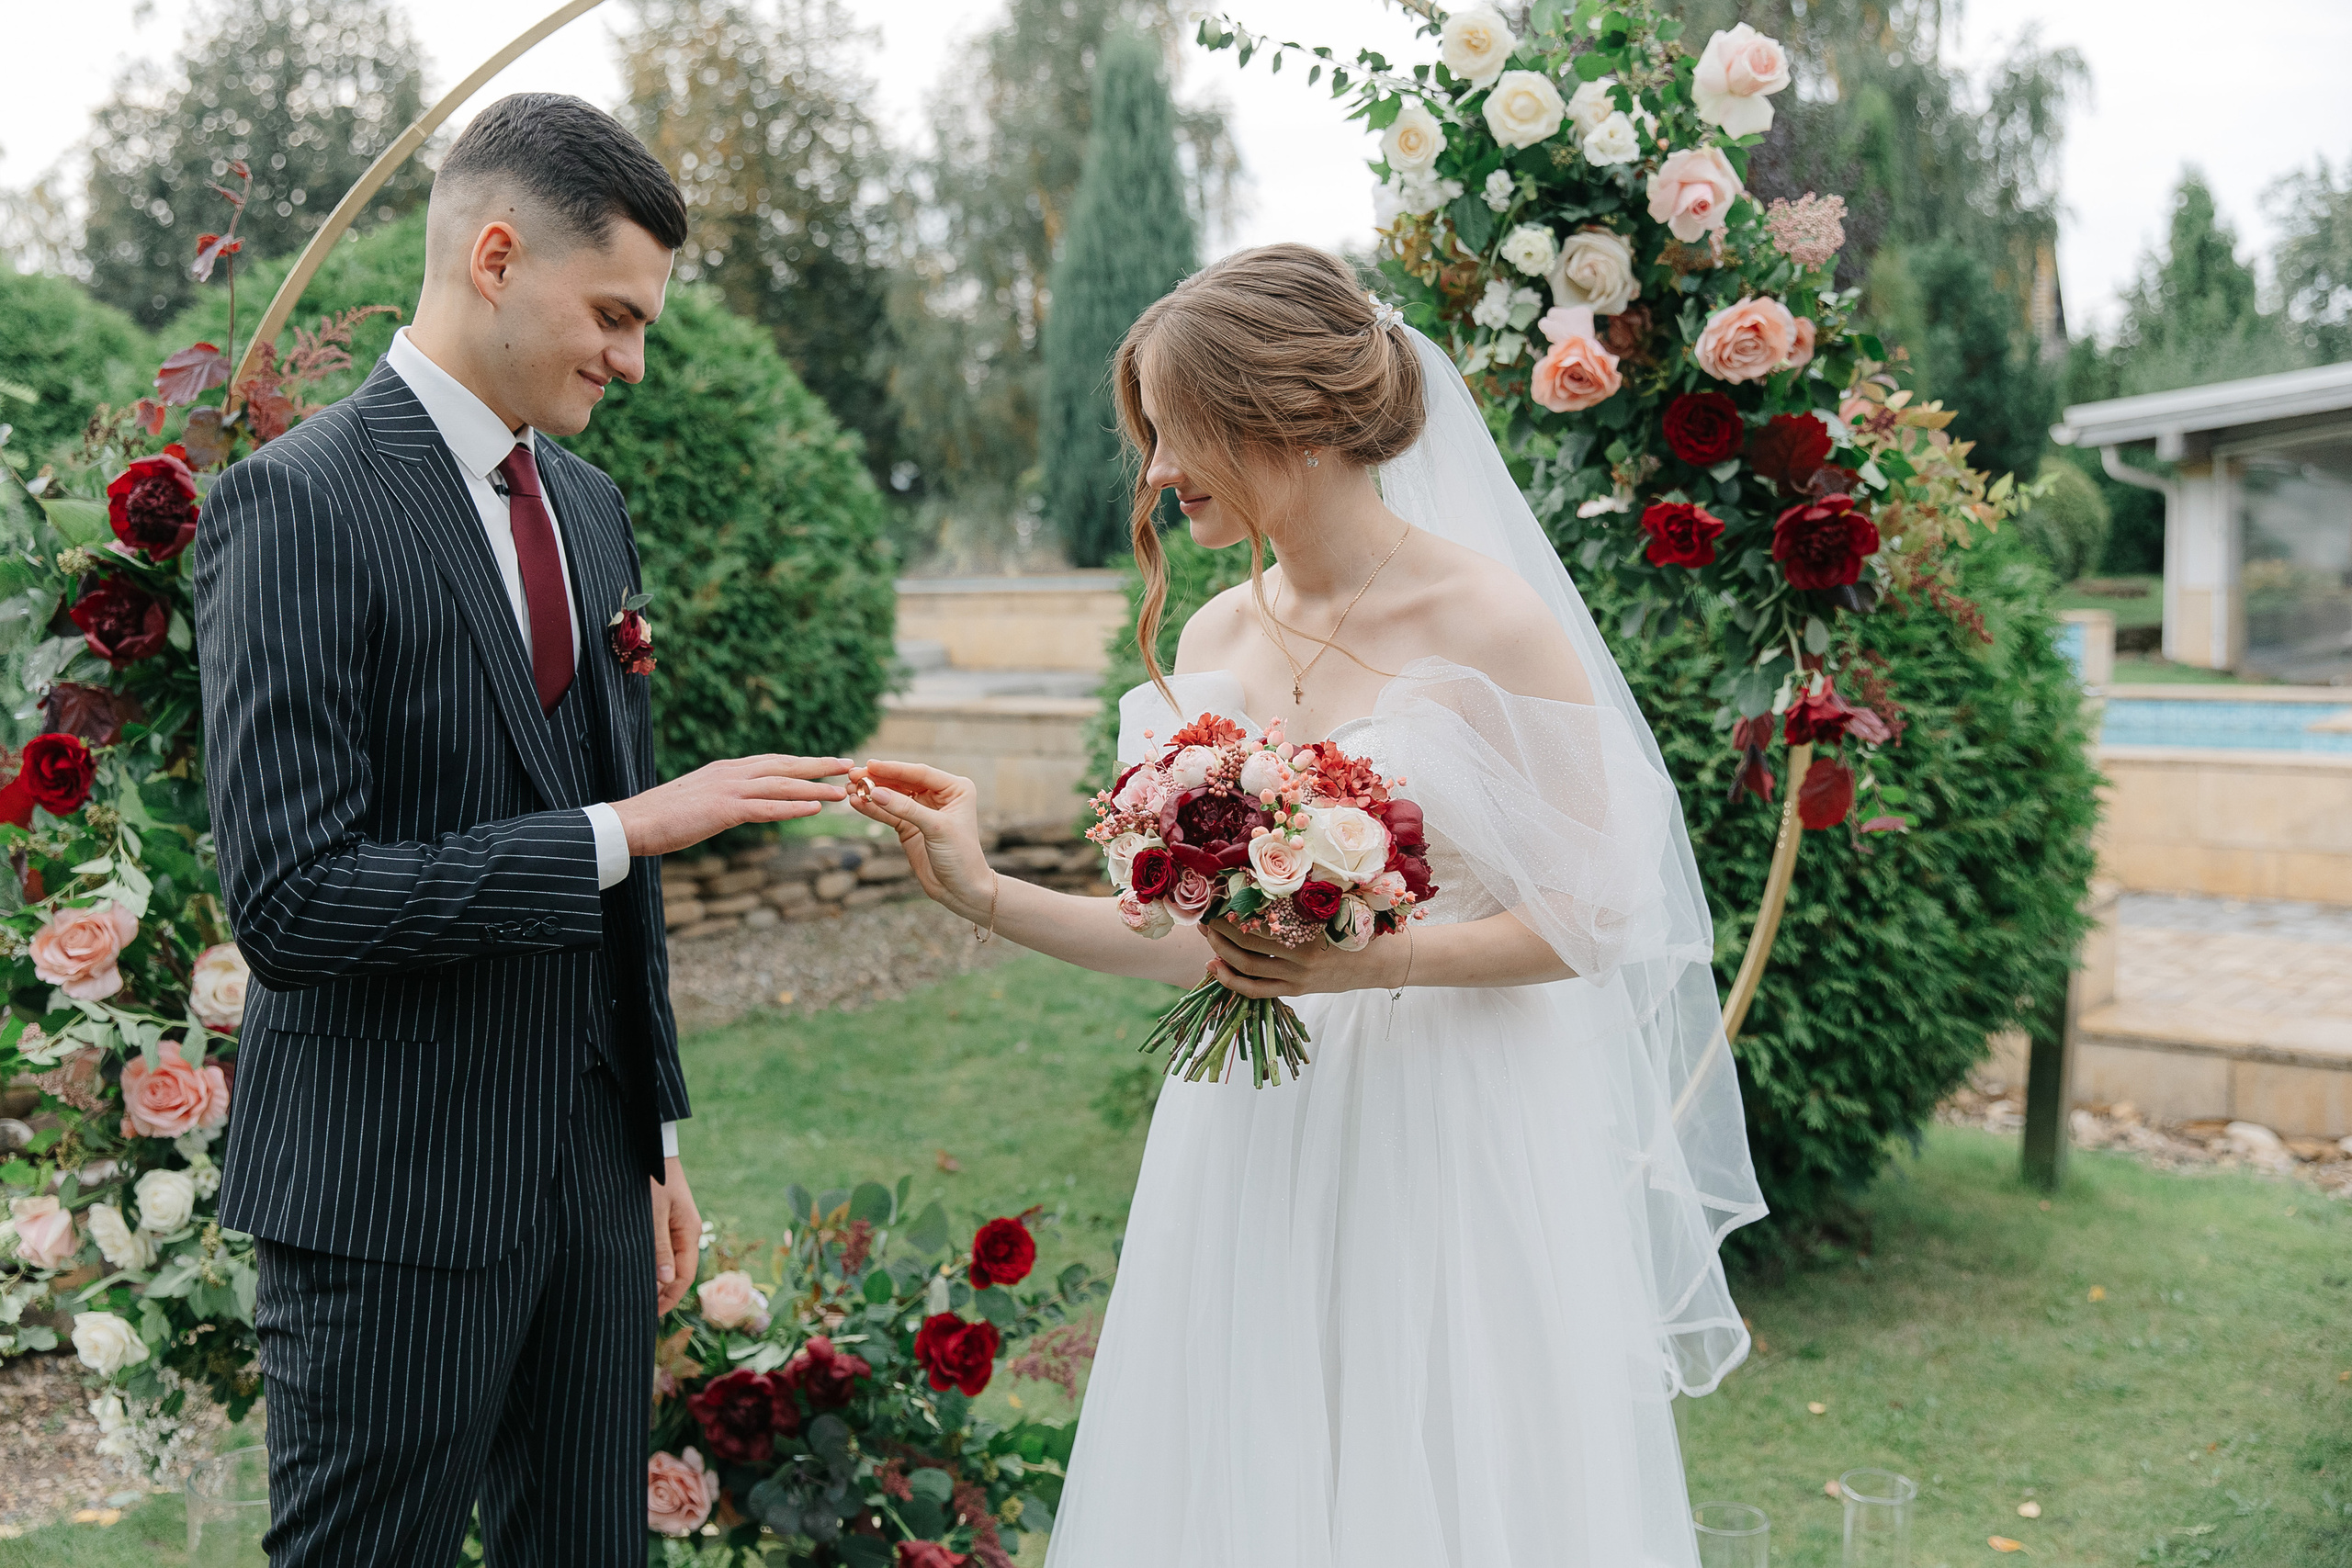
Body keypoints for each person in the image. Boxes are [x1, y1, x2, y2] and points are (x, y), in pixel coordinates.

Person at [851, 243, 1767, 1567]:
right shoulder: (1214, 640)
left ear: (1289, 413)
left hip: (1452, 1128)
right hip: (1251, 1130)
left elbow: (1595, 922)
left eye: (1179, 431)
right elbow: (1183, 945)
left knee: (1440, 1468)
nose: (1156, 472)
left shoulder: (1491, 620)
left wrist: (1374, 967)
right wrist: (983, 890)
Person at [192, 93, 849, 1566]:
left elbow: (623, 877)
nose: (631, 359)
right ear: (496, 257)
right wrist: (619, 831)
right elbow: (293, 903)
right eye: (613, 315)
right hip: (388, 1197)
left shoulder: (593, 510)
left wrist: (653, 1135)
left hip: (595, 1187)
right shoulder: (292, 506)